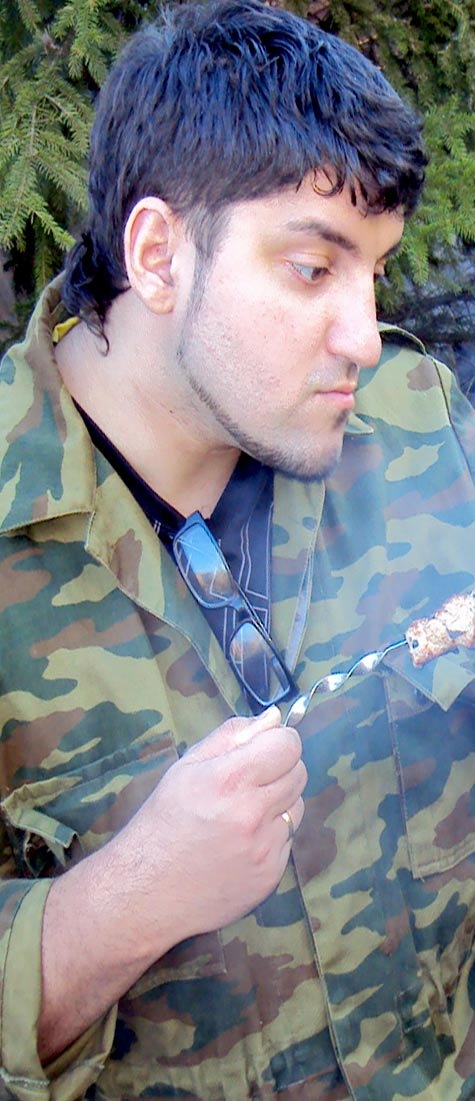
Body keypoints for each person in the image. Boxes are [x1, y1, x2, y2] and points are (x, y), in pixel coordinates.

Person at [1, 0, 475, 1097]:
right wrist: (132, 895)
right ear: (158, 254)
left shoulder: (416, 421)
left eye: (375, 272)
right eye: (312, 269)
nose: (362, 335)